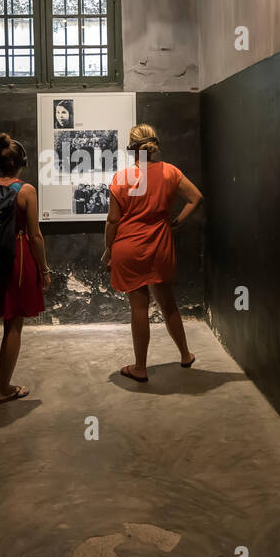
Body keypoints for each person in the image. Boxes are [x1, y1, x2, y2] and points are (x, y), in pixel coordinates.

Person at [102, 124, 203, 381]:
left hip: (129, 247)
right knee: (168, 304)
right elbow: (196, 198)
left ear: (132, 147)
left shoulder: (122, 177)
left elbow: (113, 221)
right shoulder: (170, 171)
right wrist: (176, 221)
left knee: (139, 307)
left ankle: (140, 368)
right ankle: (185, 354)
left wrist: (108, 248)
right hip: (159, 244)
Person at [0, 133, 50, 402]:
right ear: (21, 163)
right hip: (16, 258)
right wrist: (44, 269)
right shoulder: (26, 191)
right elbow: (35, 235)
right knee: (13, 323)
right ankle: (4, 389)